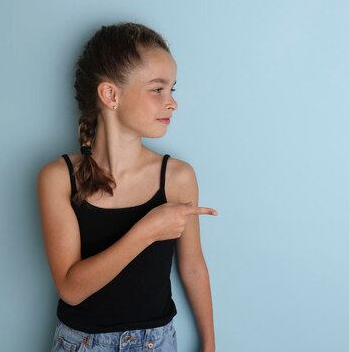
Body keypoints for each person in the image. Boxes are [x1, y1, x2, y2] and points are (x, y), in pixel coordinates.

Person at [37, 22, 218, 352]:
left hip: (157, 343)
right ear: (110, 95)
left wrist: (209, 344)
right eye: (157, 89)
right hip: (80, 344)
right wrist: (146, 231)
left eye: (172, 90)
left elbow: (193, 267)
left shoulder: (177, 177)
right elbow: (71, 288)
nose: (172, 102)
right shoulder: (58, 177)